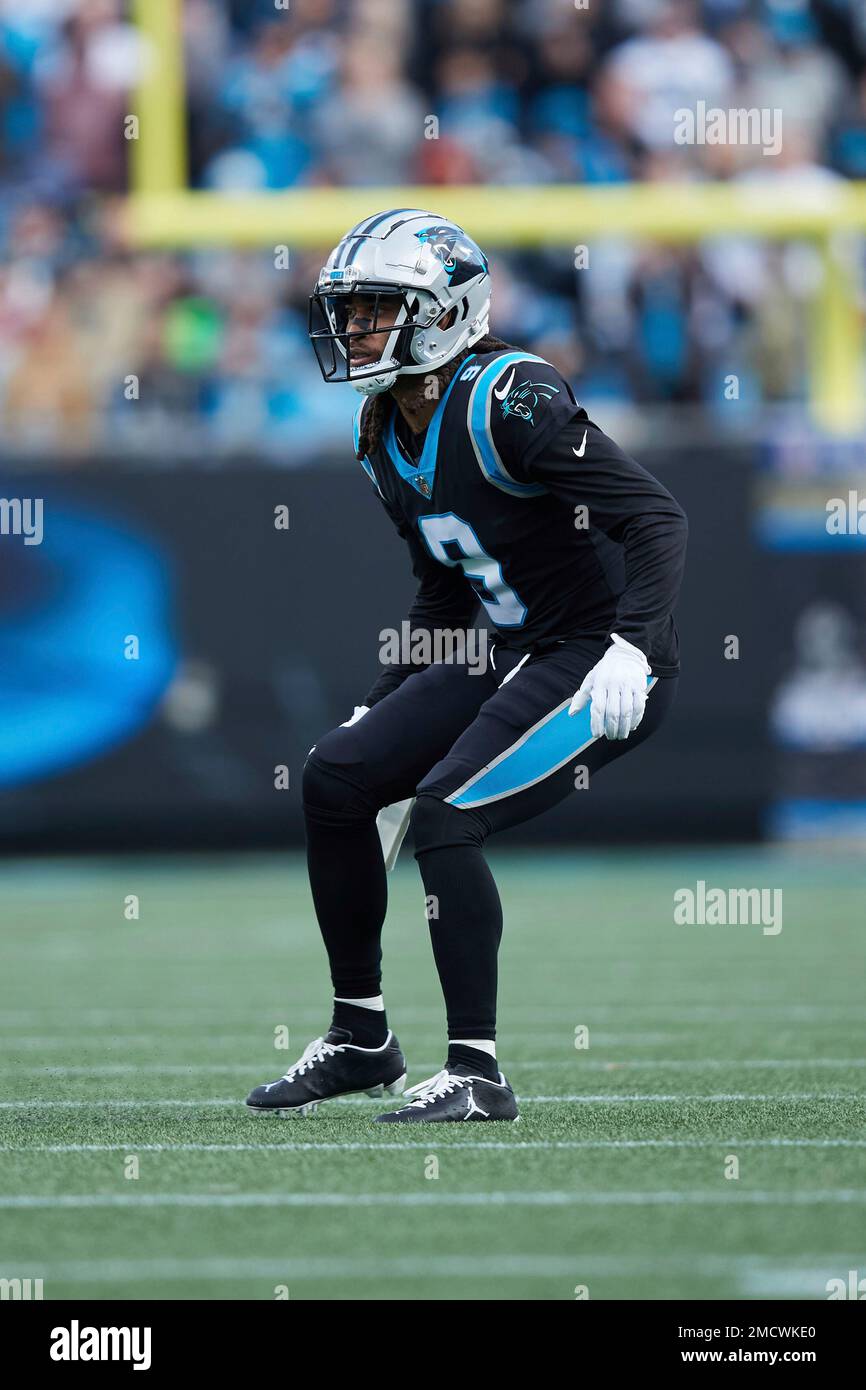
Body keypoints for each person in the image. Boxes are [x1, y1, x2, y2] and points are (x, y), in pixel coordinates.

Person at [246, 209, 688, 1123]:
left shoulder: (510, 397)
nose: (355, 329)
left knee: (448, 811)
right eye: (352, 310)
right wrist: (385, 700)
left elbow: (656, 518)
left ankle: (476, 1070)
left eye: (377, 309)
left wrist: (635, 647)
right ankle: (361, 1037)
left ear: (445, 311)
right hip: (504, 649)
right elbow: (447, 594)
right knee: (336, 776)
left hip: (596, 656)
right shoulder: (381, 427)